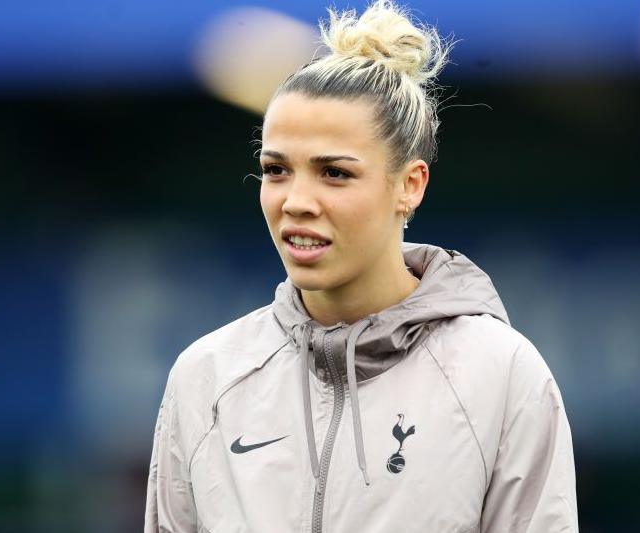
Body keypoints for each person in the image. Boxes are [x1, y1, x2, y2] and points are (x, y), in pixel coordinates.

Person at [144, 1, 578, 531]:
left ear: (410, 186)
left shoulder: (502, 375)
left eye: (334, 173)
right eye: (276, 169)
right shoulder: (205, 378)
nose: (296, 201)